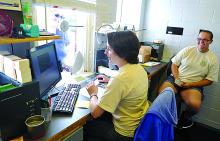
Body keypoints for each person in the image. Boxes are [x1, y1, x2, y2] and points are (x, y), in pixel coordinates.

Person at [83, 31, 149, 141]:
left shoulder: (119, 79)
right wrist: (110, 80)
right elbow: (128, 84)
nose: (105, 52)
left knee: (86, 125)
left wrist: (93, 94)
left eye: (109, 49)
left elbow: (95, 113)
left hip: (123, 134)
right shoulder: (140, 69)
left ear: (122, 52)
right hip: (137, 126)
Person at [159, 30, 219, 128]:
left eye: (205, 40)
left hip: (192, 85)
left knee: (195, 106)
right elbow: (174, 64)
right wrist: (177, 78)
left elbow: (210, 80)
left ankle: (184, 117)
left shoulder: (212, 59)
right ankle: (164, 120)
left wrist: (191, 84)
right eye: (199, 39)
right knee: (162, 97)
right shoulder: (188, 50)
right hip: (175, 79)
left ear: (210, 41)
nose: (201, 42)